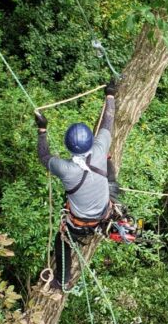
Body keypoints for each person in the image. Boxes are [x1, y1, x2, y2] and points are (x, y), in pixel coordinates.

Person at [35, 83, 117, 289]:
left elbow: (44, 156)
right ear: (91, 140)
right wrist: (110, 96)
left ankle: (63, 280)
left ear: (68, 146)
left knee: (61, 240)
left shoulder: (65, 169)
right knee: (108, 169)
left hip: (82, 225)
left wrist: (42, 130)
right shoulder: (99, 149)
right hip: (105, 211)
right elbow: (107, 123)